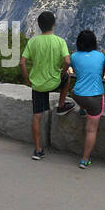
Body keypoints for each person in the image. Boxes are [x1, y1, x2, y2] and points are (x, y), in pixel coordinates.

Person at [19, 11, 73, 160]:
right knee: (67, 78)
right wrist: (61, 73)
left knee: (37, 115)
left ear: (39, 26)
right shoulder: (60, 41)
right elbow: (67, 61)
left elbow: (22, 62)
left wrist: (28, 79)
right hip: (55, 81)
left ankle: (38, 149)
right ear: (54, 25)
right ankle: (61, 105)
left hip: (37, 84)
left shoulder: (33, 42)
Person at [68, 29, 105, 169]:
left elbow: (74, 71)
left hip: (77, 95)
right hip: (95, 97)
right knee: (91, 130)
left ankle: (83, 110)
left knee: (80, 93)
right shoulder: (101, 56)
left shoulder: (74, 56)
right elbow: (102, 75)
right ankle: (85, 160)